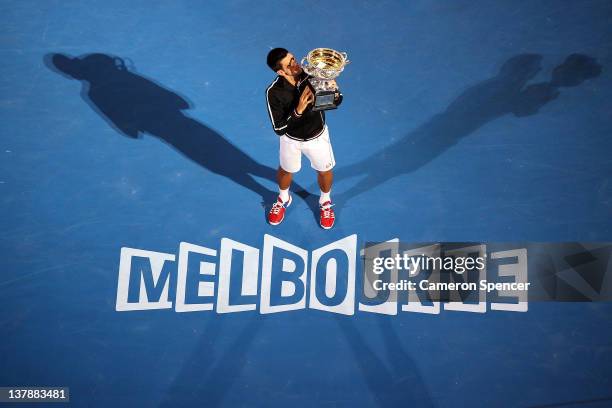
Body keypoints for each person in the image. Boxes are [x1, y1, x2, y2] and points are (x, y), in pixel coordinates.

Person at [265, 48, 343, 229]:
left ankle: (325, 201)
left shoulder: (314, 75)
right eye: (289, 64)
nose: (295, 64)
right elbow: (279, 128)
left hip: (317, 137)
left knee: (324, 171)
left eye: (293, 58)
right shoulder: (274, 92)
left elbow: (336, 102)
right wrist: (298, 110)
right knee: (286, 170)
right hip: (290, 140)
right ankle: (283, 198)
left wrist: (335, 92)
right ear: (280, 72)